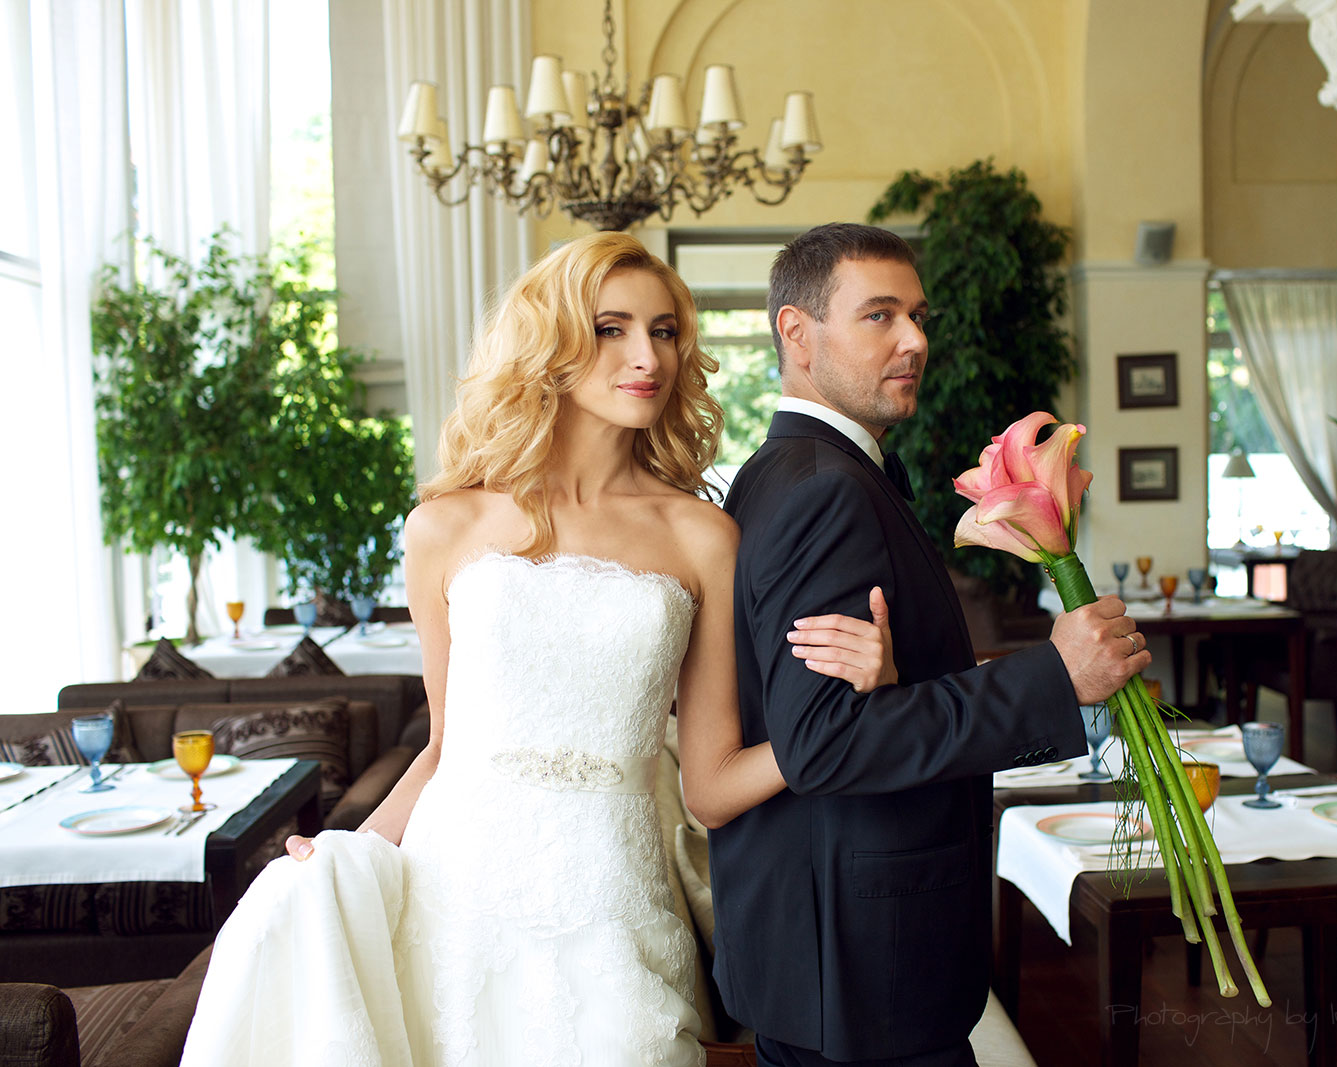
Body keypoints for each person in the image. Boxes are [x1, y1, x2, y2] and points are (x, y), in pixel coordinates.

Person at [180, 232, 898, 1067]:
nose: (648, 356)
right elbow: (444, 747)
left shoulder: (702, 535)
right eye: (610, 328)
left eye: (665, 331)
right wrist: (347, 849)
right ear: (551, 344)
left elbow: (708, 786)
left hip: (614, 907)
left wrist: (852, 713)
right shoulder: (444, 526)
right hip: (455, 899)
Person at [709, 223, 1152, 1067]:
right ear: (797, 333)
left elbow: (815, 712)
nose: (915, 340)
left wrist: (900, 678)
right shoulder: (824, 491)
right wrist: (1056, 675)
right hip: (859, 972)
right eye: (879, 315)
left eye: (917, 316)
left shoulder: (785, 472)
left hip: (832, 963)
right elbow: (822, 742)